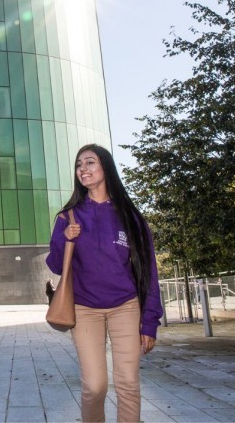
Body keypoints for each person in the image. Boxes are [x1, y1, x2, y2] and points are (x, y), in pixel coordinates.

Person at [46, 144, 162, 423]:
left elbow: (149, 270)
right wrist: (65, 238)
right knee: (95, 386)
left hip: (126, 306)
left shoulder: (131, 217)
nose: (83, 169)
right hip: (84, 308)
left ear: (106, 168)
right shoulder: (68, 216)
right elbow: (54, 264)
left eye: (90, 163)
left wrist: (150, 321)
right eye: (78, 165)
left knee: (128, 385)